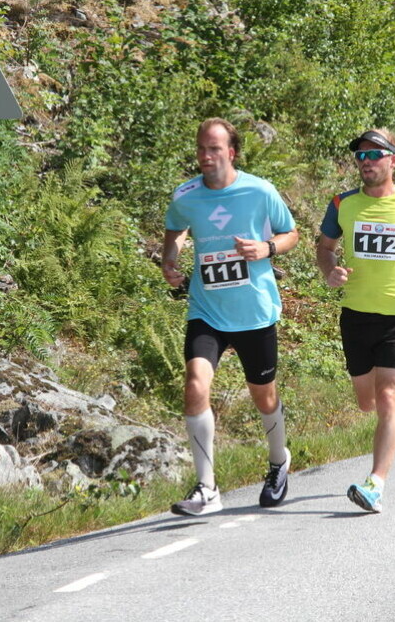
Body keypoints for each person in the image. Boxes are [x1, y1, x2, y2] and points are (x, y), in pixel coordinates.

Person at [162, 117, 299, 516]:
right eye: (201, 148)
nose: (205, 156)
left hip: (254, 311)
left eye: (214, 149)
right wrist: (170, 260)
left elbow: (291, 233)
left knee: (264, 396)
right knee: (194, 384)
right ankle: (207, 488)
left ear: (231, 152)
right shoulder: (186, 195)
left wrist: (267, 249)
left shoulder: (259, 191)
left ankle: (279, 462)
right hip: (207, 309)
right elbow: (174, 229)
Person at [315, 128, 395, 513]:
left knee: (385, 396)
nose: (367, 162)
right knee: (366, 402)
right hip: (356, 313)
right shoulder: (342, 204)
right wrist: (330, 271)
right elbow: (325, 248)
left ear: (393, 160)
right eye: (361, 156)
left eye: (375, 155)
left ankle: (375, 484)